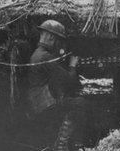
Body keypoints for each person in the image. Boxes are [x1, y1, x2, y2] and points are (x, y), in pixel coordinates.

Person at [24, 20, 84, 150]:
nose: (59, 44)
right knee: (80, 103)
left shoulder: (37, 54)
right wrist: (73, 65)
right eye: (59, 40)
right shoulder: (46, 57)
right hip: (45, 104)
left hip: (38, 102)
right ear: (51, 37)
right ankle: (61, 144)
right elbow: (69, 80)